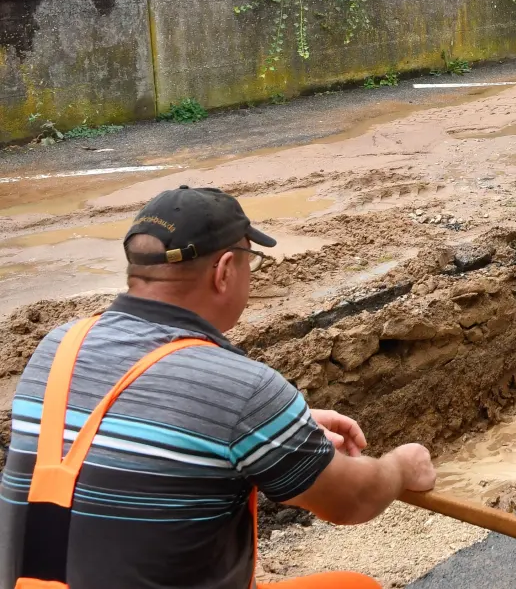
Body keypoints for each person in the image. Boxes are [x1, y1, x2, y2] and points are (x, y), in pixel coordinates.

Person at [0, 186, 436, 589]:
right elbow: (351, 501)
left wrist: (279, 433)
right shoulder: (242, 388)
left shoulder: (58, 346)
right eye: (251, 261)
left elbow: (142, 422)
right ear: (225, 270)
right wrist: (401, 466)